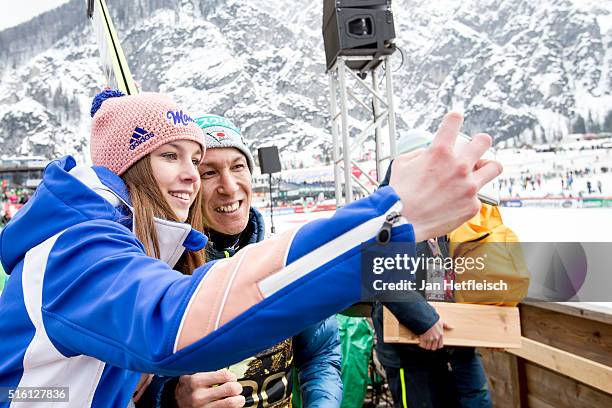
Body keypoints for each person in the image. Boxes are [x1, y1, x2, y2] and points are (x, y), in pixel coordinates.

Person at [0, 85, 501, 407]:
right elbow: (170, 324)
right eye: (172, 155)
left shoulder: (143, 249)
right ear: (129, 166)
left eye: (198, 159)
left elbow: (90, 385)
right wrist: (386, 222)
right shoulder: (79, 247)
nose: (194, 177)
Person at [142, 115, 342, 407]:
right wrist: (172, 398)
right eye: (209, 172)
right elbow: (128, 381)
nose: (230, 186)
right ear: (191, 183)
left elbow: (321, 354)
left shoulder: (288, 255)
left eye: (238, 167)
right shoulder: (162, 271)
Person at [372, 166, 492, 408]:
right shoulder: (386, 214)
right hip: (410, 351)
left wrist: (491, 325)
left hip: (457, 345)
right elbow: (382, 273)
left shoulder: (449, 213)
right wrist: (424, 320)